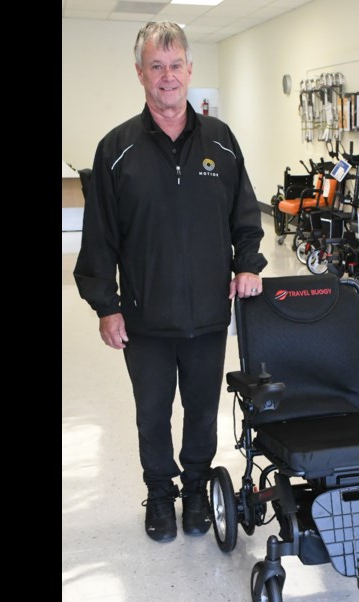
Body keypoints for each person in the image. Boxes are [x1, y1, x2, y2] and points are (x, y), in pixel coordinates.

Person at [73, 21, 267, 543]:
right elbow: (100, 239)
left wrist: (248, 263)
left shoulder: (221, 142)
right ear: (140, 74)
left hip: (207, 314)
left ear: (189, 69)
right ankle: (160, 493)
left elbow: (245, 217)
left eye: (175, 64)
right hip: (145, 319)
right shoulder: (116, 149)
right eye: (155, 66)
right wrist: (106, 306)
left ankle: (197, 490)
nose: (167, 76)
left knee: (202, 412)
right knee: (153, 414)